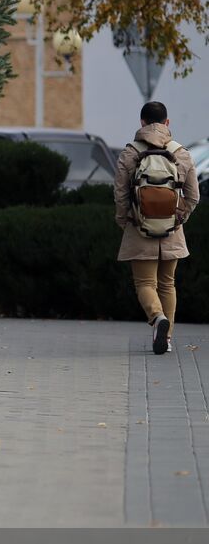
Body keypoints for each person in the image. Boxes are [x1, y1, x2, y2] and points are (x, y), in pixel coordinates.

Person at [114, 101, 199, 355]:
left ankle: (157, 318)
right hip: (172, 230)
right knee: (167, 283)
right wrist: (178, 217)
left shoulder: (130, 153)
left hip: (139, 228)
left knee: (144, 283)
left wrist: (126, 220)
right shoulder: (181, 153)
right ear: (167, 123)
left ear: (141, 123)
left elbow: (120, 195)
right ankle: (168, 337)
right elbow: (193, 195)